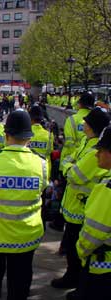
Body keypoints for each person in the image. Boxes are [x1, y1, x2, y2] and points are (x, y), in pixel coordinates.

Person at [0, 110, 48, 300]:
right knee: (20, 284)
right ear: (29, 138)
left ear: (5, 135)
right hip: (26, 235)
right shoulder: (41, 163)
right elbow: (42, 189)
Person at [51, 108, 110, 297]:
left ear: (92, 127)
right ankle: (74, 278)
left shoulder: (94, 150)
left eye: (86, 122)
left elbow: (75, 174)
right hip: (73, 205)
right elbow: (69, 159)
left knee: (76, 250)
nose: (82, 124)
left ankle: (74, 280)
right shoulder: (86, 142)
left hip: (82, 209)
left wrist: (70, 167)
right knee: (70, 246)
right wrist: (71, 165)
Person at [75, 125, 111, 300]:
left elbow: (93, 233)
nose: (96, 154)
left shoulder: (108, 189)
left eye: (101, 150)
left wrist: (81, 250)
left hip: (101, 266)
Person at [59, 93, 94, 172]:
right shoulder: (95, 120)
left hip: (71, 160)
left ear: (80, 104)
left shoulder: (71, 119)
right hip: (89, 160)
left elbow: (68, 142)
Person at [29, 105, 54, 173]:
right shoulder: (49, 135)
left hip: (28, 169)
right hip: (44, 170)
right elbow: (50, 151)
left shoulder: (25, 134)